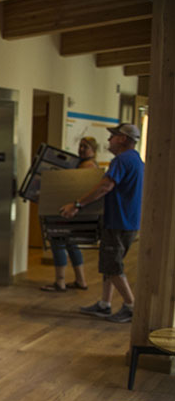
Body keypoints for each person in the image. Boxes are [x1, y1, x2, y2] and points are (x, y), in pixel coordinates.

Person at [60, 123, 144, 323]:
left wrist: (77, 204)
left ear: (123, 139)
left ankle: (131, 306)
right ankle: (105, 304)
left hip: (118, 221)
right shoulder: (137, 161)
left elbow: (105, 186)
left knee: (113, 266)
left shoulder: (121, 160)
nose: (109, 140)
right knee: (109, 265)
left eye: (113, 136)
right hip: (128, 222)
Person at [40, 136, 98, 292]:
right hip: (76, 212)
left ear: (93, 150)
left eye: (85, 147)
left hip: (70, 211)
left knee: (58, 241)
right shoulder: (86, 164)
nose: (81, 149)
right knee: (72, 244)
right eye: (80, 146)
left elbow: (70, 186)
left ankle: (60, 281)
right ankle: (81, 280)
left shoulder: (87, 166)